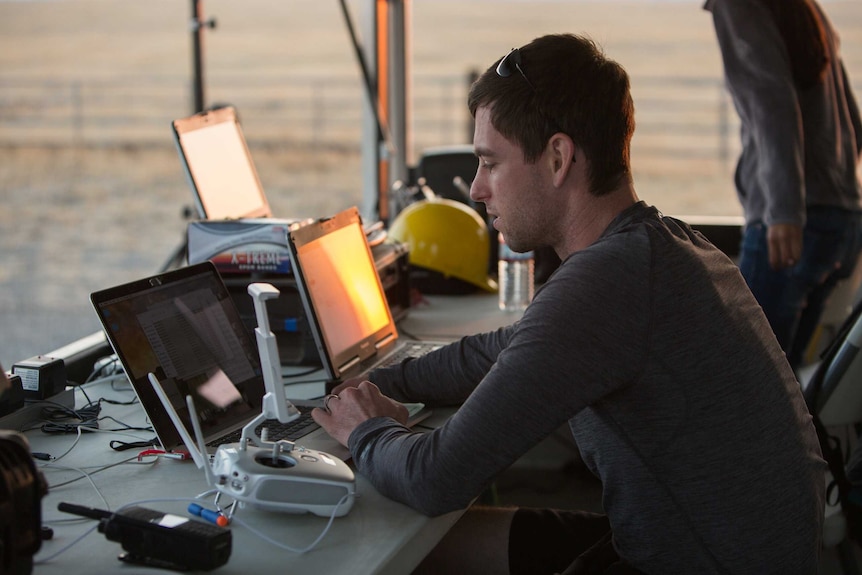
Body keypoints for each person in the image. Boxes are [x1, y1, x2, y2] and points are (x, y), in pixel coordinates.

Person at [311, 33, 825, 574]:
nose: (477, 189)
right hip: (688, 543)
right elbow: (506, 350)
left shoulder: (609, 279)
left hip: (693, 563)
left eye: (489, 162)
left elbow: (433, 479)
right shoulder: (663, 244)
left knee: (390, 544)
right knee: (434, 547)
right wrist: (380, 385)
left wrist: (365, 430)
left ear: (558, 157)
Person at [705, 0, 862, 369]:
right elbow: (853, 125)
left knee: (747, 375)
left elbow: (771, 99)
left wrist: (785, 211)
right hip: (842, 218)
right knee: (785, 383)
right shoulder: (804, 7)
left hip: (792, 224)